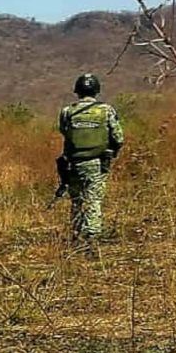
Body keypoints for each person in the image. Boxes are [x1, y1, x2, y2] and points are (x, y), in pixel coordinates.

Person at [58, 73, 125, 242]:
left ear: (77, 91)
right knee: (93, 199)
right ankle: (92, 237)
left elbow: (65, 133)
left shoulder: (67, 111)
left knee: (77, 199)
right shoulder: (106, 110)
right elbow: (118, 137)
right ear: (96, 90)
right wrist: (112, 152)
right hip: (97, 162)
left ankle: (76, 234)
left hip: (73, 163)